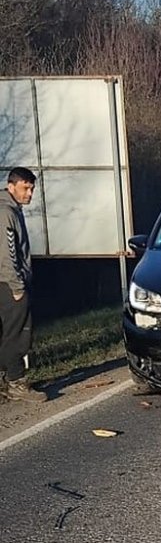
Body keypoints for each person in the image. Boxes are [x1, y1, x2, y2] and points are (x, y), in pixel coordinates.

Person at [0, 167, 45, 402]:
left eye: (32, 188)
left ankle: (6, 378)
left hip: (6, 282)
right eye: (25, 188)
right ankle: (16, 382)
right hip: (8, 284)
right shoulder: (5, 212)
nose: (30, 193)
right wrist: (17, 287)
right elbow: (7, 255)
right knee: (16, 334)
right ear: (11, 187)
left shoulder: (12, 209)